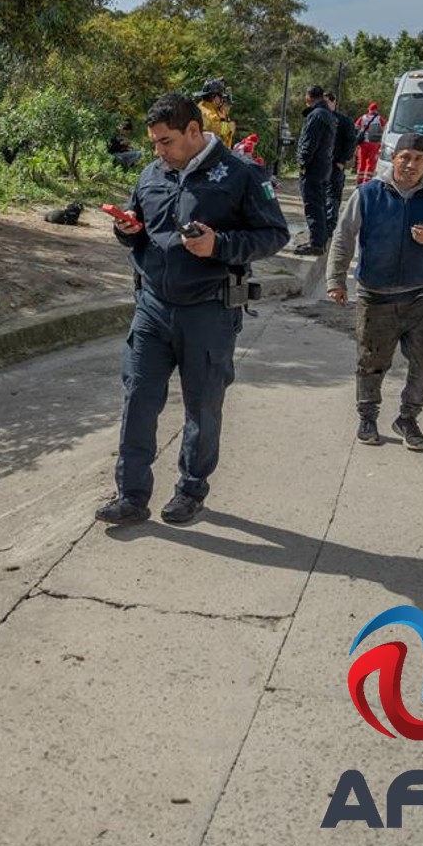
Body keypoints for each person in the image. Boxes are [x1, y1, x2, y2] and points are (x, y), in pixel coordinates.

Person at [96, 93, 290, 526]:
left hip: (208, 311)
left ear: (193, 131)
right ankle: (131, 496)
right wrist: (126, 229)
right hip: (152, 306)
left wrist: (219, 245)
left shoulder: (241, 173)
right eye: (153, 142)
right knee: (138, 397)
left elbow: (275, 234)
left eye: (165, 141)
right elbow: (140, 229)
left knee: (202, 406)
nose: (158, 151)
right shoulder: (152, 173)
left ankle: (190, 490)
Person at [325, 132, 423, 451]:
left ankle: (408, 418)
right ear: (393, 158)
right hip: (375, 297)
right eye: (405, 158)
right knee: (371, 362)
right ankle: (367, 417)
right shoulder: (368, 193)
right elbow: (344, 236)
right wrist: (336, 279)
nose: (410, 165)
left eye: (418, 159)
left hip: (420, 296)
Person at [292, 85, 338, 255]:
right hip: (324, 166)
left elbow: (309, 142)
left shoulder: (316, 115)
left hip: (314, 167)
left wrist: (302, 163)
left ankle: (316, 243)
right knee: (320, 204)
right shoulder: (328, 115)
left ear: (308, 97)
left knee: (312, 205)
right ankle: (320, 239)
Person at [325, 91, 358, 236]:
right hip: (320, 164)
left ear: (333, 102)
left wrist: (341, 161)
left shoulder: (344, 121)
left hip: (335, 163)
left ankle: (330, 226)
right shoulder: (317, 118)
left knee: (333, 195)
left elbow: (351, 141)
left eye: (326, 102)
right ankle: (322, 224)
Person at [197, 79, 236, 149]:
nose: (222, 99)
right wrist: (229, 127)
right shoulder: (206, 111)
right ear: (213, 96)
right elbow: (216, 128)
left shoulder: (212, 108)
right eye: (220, 96)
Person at [354, 101, 385, 179]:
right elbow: (385, 129)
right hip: (374, 143)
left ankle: (359, 180)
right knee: (370, 163)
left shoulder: (362, 118)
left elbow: (356, 128)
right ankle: (367, 180)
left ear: (369, 109)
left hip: (363, 143)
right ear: (376, 110)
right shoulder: (379, 119)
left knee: (361, 162)